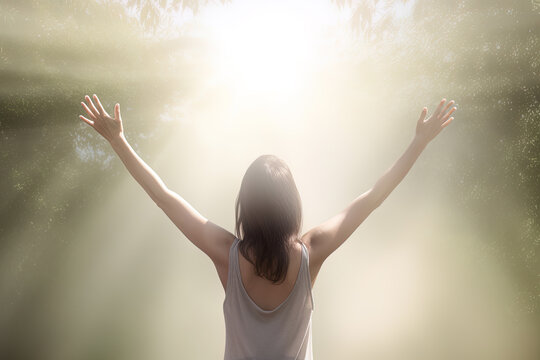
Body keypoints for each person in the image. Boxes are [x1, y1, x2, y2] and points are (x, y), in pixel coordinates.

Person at [79, 94, 457, 360]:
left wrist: (119, 141)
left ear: (245, 205)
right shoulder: (313, 250)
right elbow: (373, 198)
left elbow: (164, 197)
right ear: (291, 205)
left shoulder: (225, 252)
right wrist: (418, 143)